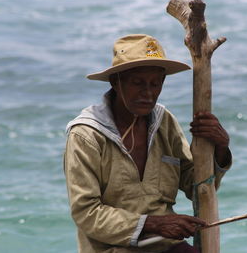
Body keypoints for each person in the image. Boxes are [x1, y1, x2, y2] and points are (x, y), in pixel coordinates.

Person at [64, 34, 232, 253]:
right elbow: (86, 212)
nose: (148, 93)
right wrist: (153, 224)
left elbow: (196, 186)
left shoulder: (164, 121)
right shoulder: (86, 135)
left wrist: (219, 148)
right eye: (138, 83)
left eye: (155, 84)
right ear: (116, 82)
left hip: (166, 246)